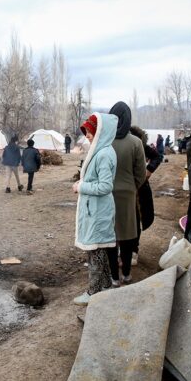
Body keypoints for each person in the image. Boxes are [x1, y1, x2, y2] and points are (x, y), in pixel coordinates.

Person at [72, 113, 118, 305]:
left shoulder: (104, 154)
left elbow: (106, 186)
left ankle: (93, 293)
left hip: (98, 212)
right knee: (97, 251)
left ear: (101, 132)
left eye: (90, 131)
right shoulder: (100, 151)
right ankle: (106, 286)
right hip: (95, 210)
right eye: (87, 132)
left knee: (95, 254)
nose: (88, 135)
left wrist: (81, 186)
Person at [107, 101, 147, 286]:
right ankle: (127, 275)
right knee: (127, 235)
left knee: (111, 236)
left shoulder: (104, 141)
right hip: (128, 195)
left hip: (106, 195)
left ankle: (114, 278)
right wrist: (132, 187)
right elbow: (141, 173)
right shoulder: (136, 143)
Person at [129, 126, 162, 266]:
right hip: (120, 187)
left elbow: (157, 156)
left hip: (138, 188)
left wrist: (149, 169)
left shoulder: (139, 143)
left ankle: (133, 251)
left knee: (135, 218)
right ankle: (122, 249)